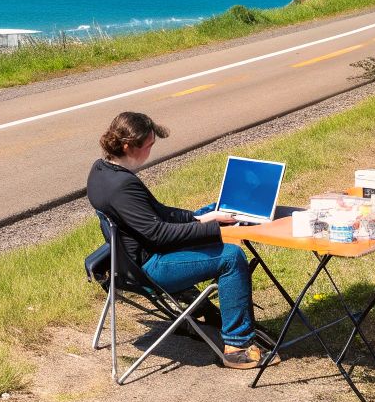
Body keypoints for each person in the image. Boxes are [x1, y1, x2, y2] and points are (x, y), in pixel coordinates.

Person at [85, 110, 261, 369]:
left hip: (126, 262)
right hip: (148, 268)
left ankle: (210, 316)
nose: (150, 151)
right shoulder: (123, 186)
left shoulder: (101, 170)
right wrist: (217, 231)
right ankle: (237, 347)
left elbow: (156, 212)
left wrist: (201, 218)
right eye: (148, 146)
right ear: (127, 145)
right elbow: (159, 234)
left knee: (207, 212)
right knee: (231, 257)